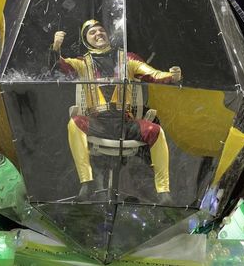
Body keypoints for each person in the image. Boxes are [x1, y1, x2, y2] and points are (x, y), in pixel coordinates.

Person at [50, 19, 181, 202]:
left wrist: (171, 76)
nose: (98, 34)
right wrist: (56, 47)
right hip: (98, 123)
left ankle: (164, 192)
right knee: (75, 124)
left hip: (124, 123)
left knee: (156, 131)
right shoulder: (82, 63)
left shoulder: (128, 58)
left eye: (101, 30)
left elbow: (153, 74)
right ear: (86, 40)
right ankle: (86, 184)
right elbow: (57, 67)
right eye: (92, 32)